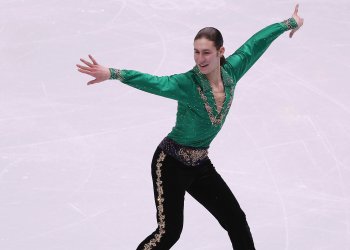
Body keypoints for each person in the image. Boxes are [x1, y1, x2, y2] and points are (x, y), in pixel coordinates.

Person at [76, 4, 304, 250]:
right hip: (170, 163)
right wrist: (112, 73)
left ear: (220, 51)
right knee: (169, 233)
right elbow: (153, 82)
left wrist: (290, 23)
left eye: (206, 52)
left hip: (199, 165)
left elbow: (255, 44)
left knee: (236, 220)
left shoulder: (232, 72)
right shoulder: (187, 83)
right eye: (196, 52)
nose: (200, 59)